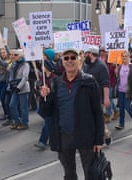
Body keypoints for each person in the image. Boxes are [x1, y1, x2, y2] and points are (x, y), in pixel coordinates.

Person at [40, 48, 104, 180]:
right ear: (62, 62)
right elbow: (47, 112)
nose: (69, 61)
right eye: (66, 58)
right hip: (64, 136)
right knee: (69, 173)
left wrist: (98, 139)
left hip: (86, 135)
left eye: (73, 58)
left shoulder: (89, 81)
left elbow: (98, 112)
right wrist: (43, 97)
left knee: (91, 174)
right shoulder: (56, 83)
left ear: (79, 60)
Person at [83, 46, 111, 145]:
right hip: (87, 98)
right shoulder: (86, 66)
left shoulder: (101, 66)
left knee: (98, 120)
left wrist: (106, 98)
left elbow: (106, 83)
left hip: (99, 98)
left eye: (86, 53)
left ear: (91, 54)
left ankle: (106, 133)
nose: (85, 55)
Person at [34, 60, 56, 150]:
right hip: (43, 102)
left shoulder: (54, 78)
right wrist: (38, 87)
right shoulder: (41, 77)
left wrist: (48, 90)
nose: (42, 67)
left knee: (48, 122)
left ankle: (42, 141)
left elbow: (55, 92)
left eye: (44, 66)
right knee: (41, 113)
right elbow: (38, 89)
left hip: (52, 104)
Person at [114, 50, 132, 130]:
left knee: (127, 106)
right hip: (120, 90)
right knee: (121, 107)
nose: (124, 58)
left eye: (126, 56)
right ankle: (121, 123)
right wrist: (116, 73)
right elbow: (118, 79)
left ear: (129, 57)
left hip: (128, 91)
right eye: (123, 56)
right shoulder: (120, 66)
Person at [8, 49, 30, 130]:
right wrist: (10, 86)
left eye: (16, 55)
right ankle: (17, 121)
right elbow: (9, 73)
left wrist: (18, 87)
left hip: (22, 88)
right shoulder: (14, 64)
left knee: (23, 107)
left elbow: (25, 78)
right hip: (14, 87)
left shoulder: (25, 65)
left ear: (21, 56)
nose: (13, 56)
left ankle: (25, 123)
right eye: (13, 55)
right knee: (12, 105)